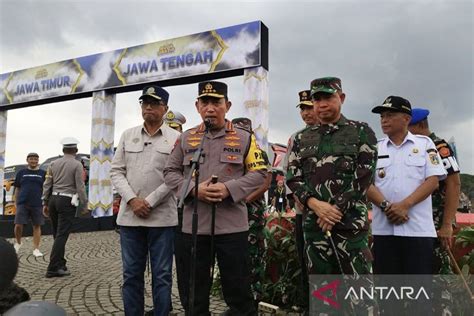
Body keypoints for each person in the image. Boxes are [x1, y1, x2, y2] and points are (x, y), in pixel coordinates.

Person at [164, 81, 267, 315]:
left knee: (238, 292)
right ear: (197, 106)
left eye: (216, 102)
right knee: (193, 294)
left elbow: (260, 174)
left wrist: (229, 189)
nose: (210, 107)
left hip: (232, 228)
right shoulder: (185, 138)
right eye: (205, 102)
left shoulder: (245, 138)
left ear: (227, 105)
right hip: (193, 229)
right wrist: (192, 189)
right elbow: (169, 172)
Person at [286, 77, 377, 314]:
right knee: (323, 294)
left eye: (328, 97)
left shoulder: (361, 131)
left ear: (342, 98)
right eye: (317, 99)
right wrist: (316, 206)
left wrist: (333, 210)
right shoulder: (300, 138)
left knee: (360, 293)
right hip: (315, 227)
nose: (322, 104)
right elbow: (293, 179)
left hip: (350, 227)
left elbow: (365, 176)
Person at [368, 97, 447, 315]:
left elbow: (433, 181)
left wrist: (405, 205)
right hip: (384, 231)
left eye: (390, 115)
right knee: (388, 296)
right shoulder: (375, 148)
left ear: (406, 118)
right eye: (382, 116)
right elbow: (367, 183)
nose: (384, 120)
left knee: (419, 296)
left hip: (418, 231)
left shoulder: (424, 144)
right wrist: (387, 207)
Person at [110, 85, 180, 316]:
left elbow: (177, 176)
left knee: (162, 275)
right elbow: (116, 171)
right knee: (131, 274)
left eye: (154, 102)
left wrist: (149, 201)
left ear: (165, 108)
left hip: (162, 220)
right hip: (130, 220)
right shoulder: (127, 135)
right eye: (144, 102)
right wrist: (131, 200)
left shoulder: (176, 139)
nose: (148, 106)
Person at [408, 108, 461, 313]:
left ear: (420, 125)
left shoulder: (439, 147)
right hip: (416, 222)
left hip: (437, 221)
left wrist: (447, 224)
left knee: (438, 273)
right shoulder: (414, 147)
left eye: (409, 126)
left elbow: (454, 184)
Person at [232, 117, 272, 306]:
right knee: (235, 257)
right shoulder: (230, 151)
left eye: (244, 132)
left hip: (252, 214)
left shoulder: (259, 153)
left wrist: (242, 198)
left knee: (254, 257)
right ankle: (237, 301)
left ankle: (255, 300)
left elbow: (265, 184)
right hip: (232, 214)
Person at [42, 137, 87, 278]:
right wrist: (84, 203)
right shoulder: (77, 164)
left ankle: (60, 263)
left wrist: (45, 201)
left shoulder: (52, 163)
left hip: (53, 199)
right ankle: (53, 267)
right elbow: (80, 186)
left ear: (62, 149)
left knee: (57, 233)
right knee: (62, 234)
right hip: (67, 200)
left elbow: (47, 183)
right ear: (76, 150)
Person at [13, 152, 46, 257]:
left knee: (37, 225)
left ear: (38, 161)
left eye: (35, 159)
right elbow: (17, 188)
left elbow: (46, 189)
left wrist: (46, 202)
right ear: (27, 160)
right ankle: (18, 242)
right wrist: (15, 201)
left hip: (37, 203)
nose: (33, 161)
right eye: (31, 159)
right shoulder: (21, 173)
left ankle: (36, 249)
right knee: (18, 225)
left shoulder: (43, 173)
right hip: (22, 203)